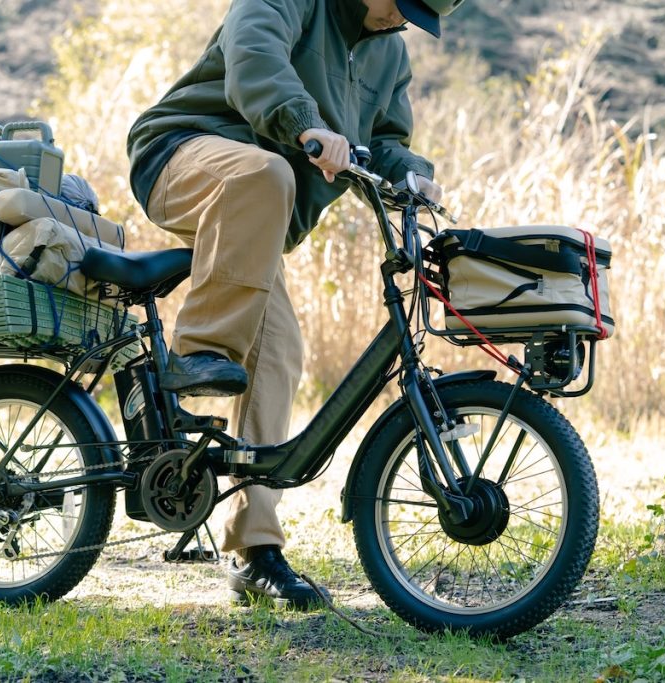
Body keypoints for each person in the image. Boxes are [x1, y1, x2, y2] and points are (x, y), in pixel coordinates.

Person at [126, 0, 463, 609]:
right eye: (403, 6)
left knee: (279, 355)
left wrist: (412, 177)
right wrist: (306, 124)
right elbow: (253, 54)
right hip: (182, 155)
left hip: (255, 205)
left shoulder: (390, 52)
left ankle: (253, 549)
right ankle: (200, 350)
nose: (404, 23)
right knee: (268, 174)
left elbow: (386, 139)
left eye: (420, 17)